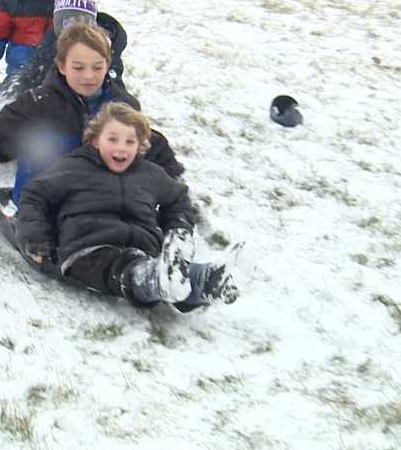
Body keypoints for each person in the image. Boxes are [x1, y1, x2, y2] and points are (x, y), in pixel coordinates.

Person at [0, 22, 183, 245]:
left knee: (122, 146)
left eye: (97, 67)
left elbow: (152, 147)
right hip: (43, 204)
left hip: (104, 204)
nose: (88, 76)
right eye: (78, 67)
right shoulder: (38, 104)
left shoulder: (121, 106)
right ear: (61, 66)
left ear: (108, 65)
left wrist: (175, 204)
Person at [15, 103, 237, 311]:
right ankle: (156, 280)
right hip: (88, 249)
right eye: (113, 139)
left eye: (130, 142)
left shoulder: (150, 174)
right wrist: (36, 238)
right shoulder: (74, 167)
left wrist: (178, 228)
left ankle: (206, 281)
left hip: (145, 249)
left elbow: (178, 199)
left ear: (140, 145)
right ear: (95, 140)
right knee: (124, 267)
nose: (121, 148)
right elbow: (35, 195)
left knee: (153, 264)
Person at [0, 0, 129, 122]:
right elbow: (31, 72)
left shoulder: (103, 48)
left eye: (80, 22)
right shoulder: (51, 41)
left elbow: (116, 90)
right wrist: (4, 96)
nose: (73, 31)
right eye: (66, 23)